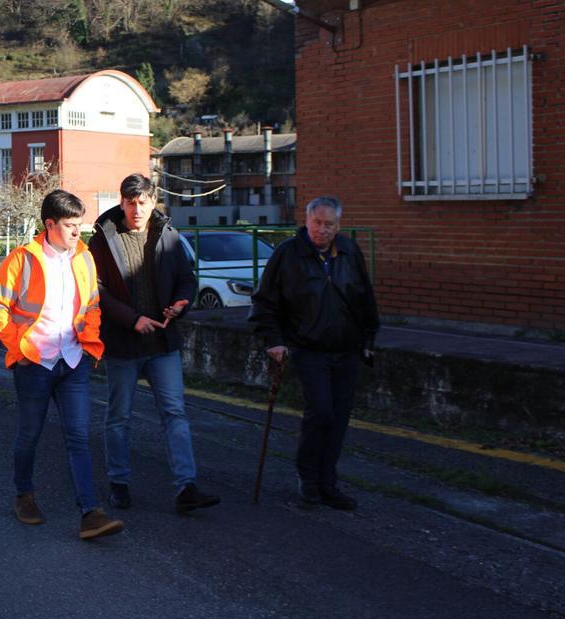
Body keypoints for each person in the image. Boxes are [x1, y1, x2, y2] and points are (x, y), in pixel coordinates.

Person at [0, 189, 124, 540]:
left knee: (78, 436)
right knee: (30, 434)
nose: (78, 232)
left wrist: (89, 340)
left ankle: (90, 512)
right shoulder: (22, 259)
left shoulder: (84, 257)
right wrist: (20, 346)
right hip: (34, 363)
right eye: (70, 225)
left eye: (80, 225)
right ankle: (24, 495)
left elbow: (92, 305)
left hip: (74, 361)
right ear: (50, 225)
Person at [88, 174, 221, 515]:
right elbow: (96, 291)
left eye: (143, 202)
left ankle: (186, 487)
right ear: (121, 203)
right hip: (122, 343)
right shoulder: (102, 240)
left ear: (153, 202)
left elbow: (187, 281)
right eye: (130, 203)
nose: (137, 209)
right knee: (119, 417)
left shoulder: (168, 235)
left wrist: (181, 303)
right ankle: (118, 482)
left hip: (163, 341)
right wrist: (132, 319)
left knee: (175, 413)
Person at [249, 195, 379, 510]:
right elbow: (265, 302)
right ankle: (308, 479)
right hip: (308, 349)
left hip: (346, 350)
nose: (322, 230)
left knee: (338, 419)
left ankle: (327, 482)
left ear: (338, 225)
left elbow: (364, 298)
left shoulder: (349, 251)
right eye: (317, 223)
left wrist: (368, 338)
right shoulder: (287, 254)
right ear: (306, 220)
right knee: (320, 411)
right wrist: (274, 340)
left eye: (329, 224)